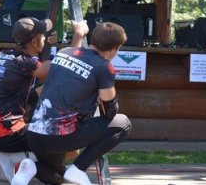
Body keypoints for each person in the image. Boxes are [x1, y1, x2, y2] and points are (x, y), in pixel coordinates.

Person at [0, 16, 87, 183]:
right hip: (8, 135)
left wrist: (48, 42)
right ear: (35, 41)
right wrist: (78, 35)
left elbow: (45, 81)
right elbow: (65, 68)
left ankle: (12, 159)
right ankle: (14, 161)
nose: (45, 37)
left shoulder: (6, 55)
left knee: (45, 93)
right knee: (69, 149)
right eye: (42, 36)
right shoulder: (26, 63)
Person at [25, 22, 132, 185]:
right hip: (59, 136)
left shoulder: (63, 52)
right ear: (114, 49)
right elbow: (109, 111)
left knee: (57, 177)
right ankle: (79, 168)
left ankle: (31, 167)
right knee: (123, 123)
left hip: (33, 135)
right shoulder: (104, 67)